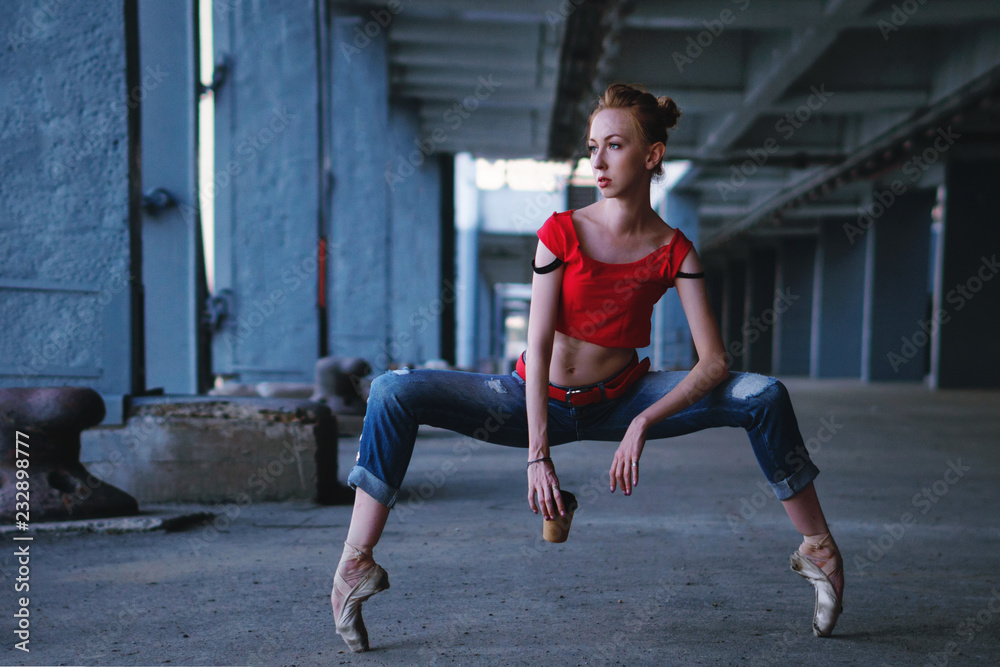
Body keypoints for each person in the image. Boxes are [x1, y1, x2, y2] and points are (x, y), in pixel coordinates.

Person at [330, 83, 844, 652]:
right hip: (530, 395)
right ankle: (356, 564)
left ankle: (818, 547)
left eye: (614, 145)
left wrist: (642, 422)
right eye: (591, 146)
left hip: (625, 398)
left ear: (651, 156)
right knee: (393, 389)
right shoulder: (561, 232)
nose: (596, 160)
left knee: (764, 394)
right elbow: (540, 341)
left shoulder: (675, 251)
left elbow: (714, 362)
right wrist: (537, 455)